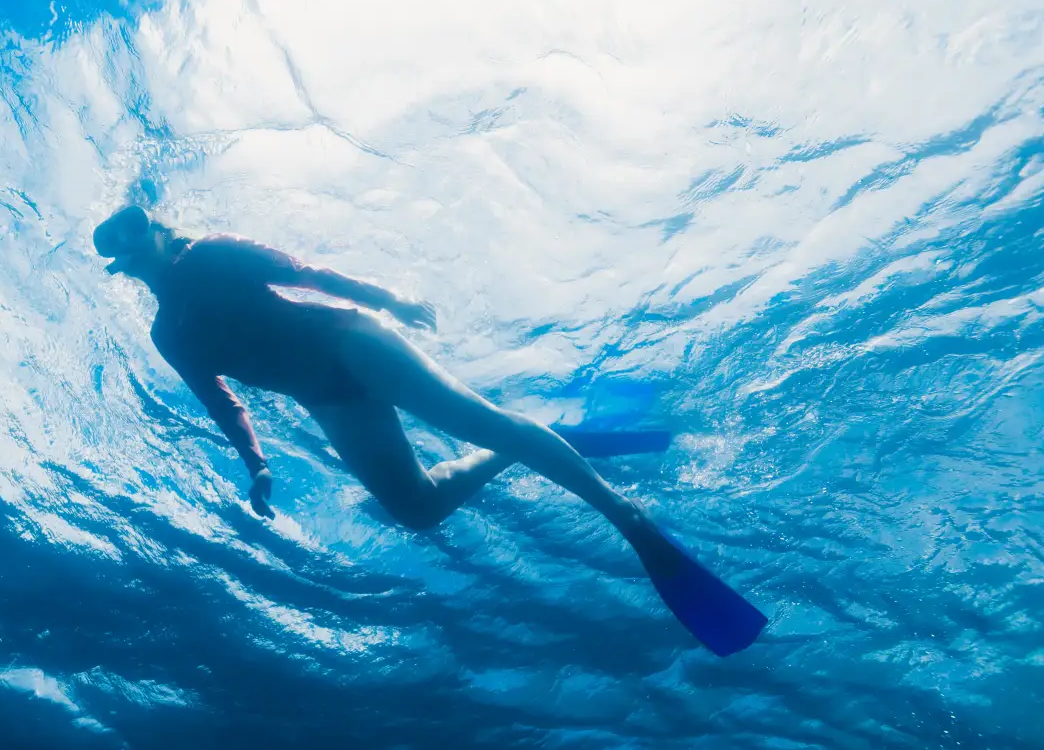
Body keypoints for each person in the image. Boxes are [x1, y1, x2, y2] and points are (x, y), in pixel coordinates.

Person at [93, 205, 766, 655]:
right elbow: (221, 404)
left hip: (349, 342)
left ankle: (627, 515)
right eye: (116, 246)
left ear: (153, 228)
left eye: (133, 228)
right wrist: (256, 466)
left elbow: (307, 273)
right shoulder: (167, 333)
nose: (129, 245)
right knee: (415, 507)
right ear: (120, 266)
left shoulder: (211, 254)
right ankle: (533, 439)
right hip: (323, 395)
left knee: (474, 418)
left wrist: (392, 301)